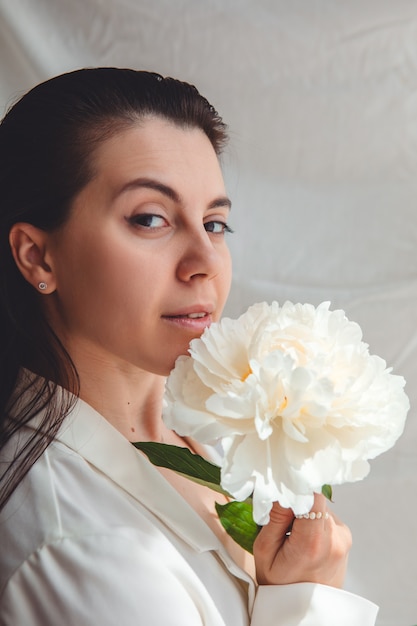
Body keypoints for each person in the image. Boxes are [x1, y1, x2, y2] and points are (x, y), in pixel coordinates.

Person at [0, 67, 378, 625]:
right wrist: (309, 601)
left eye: (215, 223)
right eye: (151, 219)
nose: (203, 263)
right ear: (38, 256)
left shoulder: (212, 428)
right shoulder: (86, 547)